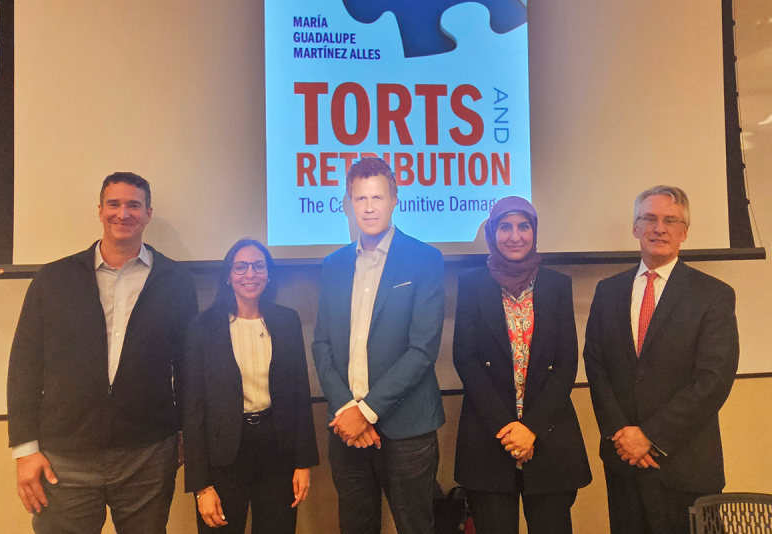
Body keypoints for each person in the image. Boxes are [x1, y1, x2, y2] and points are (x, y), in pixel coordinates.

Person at [7, 172, 199, 533]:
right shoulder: (54, 279)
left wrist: (189, 433)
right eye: (114, 204)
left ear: (148, 213)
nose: (123, 214)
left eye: (133, 205)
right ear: (100, 210)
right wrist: (24, 448)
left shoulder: (176, 281)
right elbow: (24, 365)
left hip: (148, 454)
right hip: (64, 458)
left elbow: (188, 366)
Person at [583, 186, 740, 534]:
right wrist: (622, 437)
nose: (660, 228)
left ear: (684, 231)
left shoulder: (713, 295)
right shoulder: (608, 291)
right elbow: (596, 366)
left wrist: (650, 436)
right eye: (649, 218)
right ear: (635, 227)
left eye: (671, 220)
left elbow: (713, 380)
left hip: (685, 464)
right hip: (624, 462)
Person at [312, 157, 446, 534]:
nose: (369, 208)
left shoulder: (425, 259)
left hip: (407, 430)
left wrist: (367, 411)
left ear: (394, 199)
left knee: (415, 527)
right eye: (360, 199)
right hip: (346, 429)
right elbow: (321, 344)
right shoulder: (333, 264)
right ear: (347, 203)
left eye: (377, 197)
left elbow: (422, 350)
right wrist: (347, 409)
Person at [453, 196, 592, 534]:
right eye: (505, 227)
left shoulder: (557, 284)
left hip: (548, 437)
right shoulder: (472, 285)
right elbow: (465, 359)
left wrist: (530, 428)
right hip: (489, 437)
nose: (514, 236)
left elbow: (565, 362)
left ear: (534, 232)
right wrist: (508, 429)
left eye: (523, 226)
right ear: (492, 233)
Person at [183, 238, 319, 534]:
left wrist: (303, 462)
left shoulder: (286, 320)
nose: (250, 274)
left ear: (269, 275)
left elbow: (299, 394)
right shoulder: (202, 327)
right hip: (223, 455)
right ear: (228, 276)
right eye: (241, 267)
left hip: (277, 451)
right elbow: (193, 408)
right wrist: (201, 486)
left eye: (259, 266)